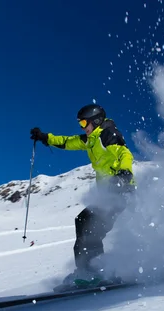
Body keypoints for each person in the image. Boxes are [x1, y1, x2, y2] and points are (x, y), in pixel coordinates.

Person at [30, 104, 136, 287]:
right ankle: (88, 271)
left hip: (120, 191)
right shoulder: (90, 140)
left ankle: (94, 272)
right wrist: (45, 137)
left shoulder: (108, 134)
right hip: (107, 196)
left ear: (95, 121)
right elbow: (67, 141)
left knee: (91, 228)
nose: (82, 127)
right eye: (80, 123)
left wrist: (124, 173)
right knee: (83, 222)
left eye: (84, 123)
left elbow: (124, 152)